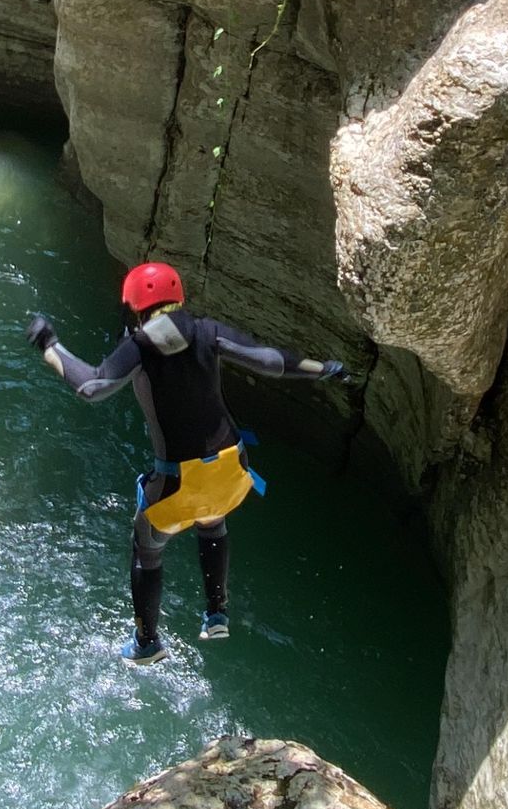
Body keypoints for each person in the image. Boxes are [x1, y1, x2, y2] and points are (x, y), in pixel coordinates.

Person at [25, 261, 348, 665]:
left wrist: (49, 346)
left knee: (146, 546)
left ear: (136, 306)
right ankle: (216, 613)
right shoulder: (207, 330)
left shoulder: (140, 346)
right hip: (233, 468)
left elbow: (93, 386)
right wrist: (325, 370)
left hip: (178, 482)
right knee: (212, 517)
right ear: (178, 298)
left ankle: (147, 643)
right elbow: (270, 361)